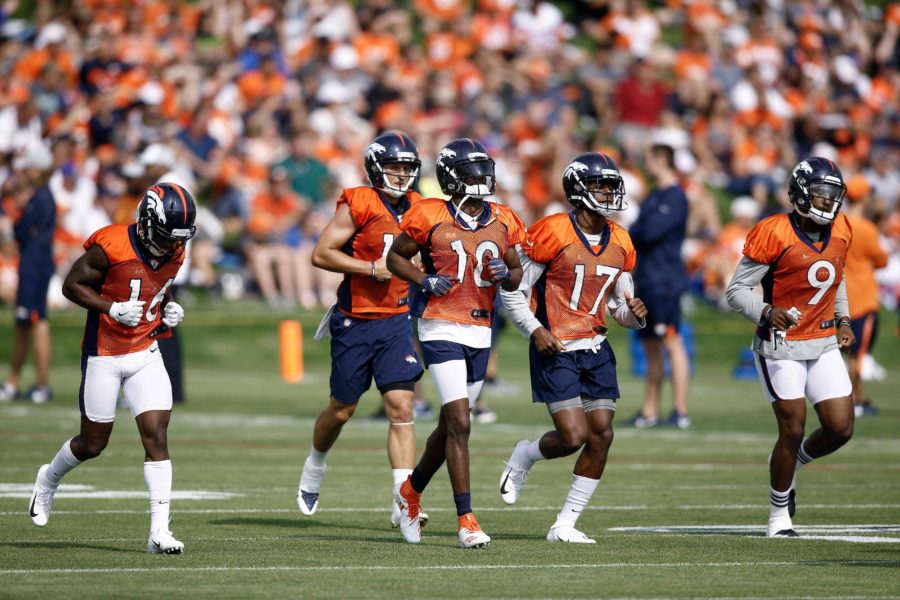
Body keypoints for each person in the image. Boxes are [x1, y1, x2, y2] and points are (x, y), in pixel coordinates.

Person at [27, 182, 197, 554]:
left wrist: (166, 310)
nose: (172, 246)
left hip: (145, 350)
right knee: (92, 444)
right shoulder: (112, 245)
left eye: (177, 239)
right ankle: (49, 477)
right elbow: (71, 286)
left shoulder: (176, 249)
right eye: (167, 237)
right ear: (148, 221)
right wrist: (109, 308)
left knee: (156, 434)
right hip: (104, 352)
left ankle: (159, 532)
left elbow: (156, 287)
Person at [498, 152, 647, 543]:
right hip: (557, 344)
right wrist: (534, 330)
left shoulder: (622, 240)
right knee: (572, 436)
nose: (609, 193)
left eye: (612, 185)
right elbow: (514, 290)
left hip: (596, 345)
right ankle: (525, 455)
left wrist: (634, 313)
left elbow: (618, 308)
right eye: (600, 185)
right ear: (578, 189)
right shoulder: (551, 230)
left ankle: (565, 523)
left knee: (602, 434)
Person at [387, 138, 525, 548]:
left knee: (450, 425)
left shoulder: (503, 218)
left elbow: (517, 275)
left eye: (484, 170)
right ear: (452, 176)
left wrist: (507, 273)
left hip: (480, 330)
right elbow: (397, 257)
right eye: (472, 172)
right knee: (462, 424)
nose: (481, 179)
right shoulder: (429, 213)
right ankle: (466, 520)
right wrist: (422, 278)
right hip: (439, 324)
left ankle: (410, 492)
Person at [297, 131, 428, 530]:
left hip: (396, 320)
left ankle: (404, 502)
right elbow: (322, 253)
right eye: (394, 166)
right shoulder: (359, 201)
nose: (401, 174)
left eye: (407, 167)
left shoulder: (423, 207)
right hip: (355, 320)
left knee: (402, 409)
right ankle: (315, 464)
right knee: (342, 409)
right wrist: (370, 268)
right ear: (375, 167)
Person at [725, 157, 856, 538]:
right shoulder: (773, 231)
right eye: (820, 194)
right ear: (800, 193)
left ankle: (792, 464)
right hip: (780, 344)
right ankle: (779, 515)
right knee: (793, 428)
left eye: (833, 195)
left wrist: (844, 320)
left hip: (823, 340)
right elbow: (735, 291)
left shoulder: (843, 228)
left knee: (841, 427)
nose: (829, 202)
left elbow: (837, 279)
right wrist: (766, 311)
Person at [629, 144, 691, 428]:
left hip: (665, 281)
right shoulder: (654, 196)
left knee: (672, 341)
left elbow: (648, 232)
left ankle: (680, 410)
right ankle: (650, 410)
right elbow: (637, 233)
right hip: (648, 279)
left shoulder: (675, 196)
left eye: (651, 159)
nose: (647, 164)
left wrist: (639, 231)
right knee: (651, 346)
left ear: (663, 160)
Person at [0, 144, 56, 404]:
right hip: (35, 266)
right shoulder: (42, 196)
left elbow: (22, 232)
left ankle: (39, 385)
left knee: (35, 321)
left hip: (34, 267)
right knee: (26, 323)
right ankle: (14, 381)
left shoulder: (42, 197)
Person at [842, 177, 888, 417]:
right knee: (859, 355)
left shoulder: (838, 223)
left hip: (842, 299)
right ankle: (853, 401)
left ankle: (859, 398)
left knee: (850, 354)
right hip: (863, 296)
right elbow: (882, 260)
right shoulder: (867, 228)